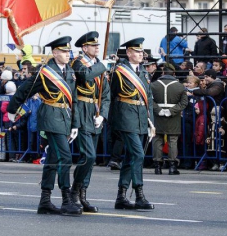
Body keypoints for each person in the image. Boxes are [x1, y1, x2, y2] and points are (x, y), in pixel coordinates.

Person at [8, 36, 82, 216]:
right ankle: (66, 199)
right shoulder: (45, 72)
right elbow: (25, 90)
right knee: (65, 157)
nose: (67, 54)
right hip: (50, 118)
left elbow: (74, 100)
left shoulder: (69, 72)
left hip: (64, 118)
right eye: (64, 51)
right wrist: (12, 109)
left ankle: (45, 200)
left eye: (68, 51)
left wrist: (75, 124)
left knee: (52, 160)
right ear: (55, 53)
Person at [110, 37, 156, 210]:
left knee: (130, 157)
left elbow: (149, 97)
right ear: (128, 53)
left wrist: (151, 120)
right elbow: (113, 94)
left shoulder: (144, 72)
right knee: (138, 154)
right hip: (126, 116)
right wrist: (114, 120)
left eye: (141, 51)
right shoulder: (120, 71)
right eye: (137, 51)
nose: (140, 54)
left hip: (141, 117)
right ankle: (139, 194)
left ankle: (121, 196)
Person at [69, 31, 110, 212]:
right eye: (93, 46)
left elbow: (106, 95)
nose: (97, 48)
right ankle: (74, 192)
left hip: (94, 113)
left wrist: (103, 115)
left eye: (97, 46)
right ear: (84, 48)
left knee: (90, 159)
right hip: (82, 112)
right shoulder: (78, 63)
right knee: (89, 156)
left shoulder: (98, 66)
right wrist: (102, 66)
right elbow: (84, 76)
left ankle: (83, 194)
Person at [151, 63, 188, 175]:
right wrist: (171, 111)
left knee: (157, 139)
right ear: (173, 73)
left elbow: (149, 100)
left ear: (163, 72)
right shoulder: (180, 86)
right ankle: (172, 167)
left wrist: (159, 110)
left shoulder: (153, 85)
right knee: (172, 140)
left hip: (158, 116)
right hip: (173, 116)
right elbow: (184, 103)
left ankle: (157, 166)